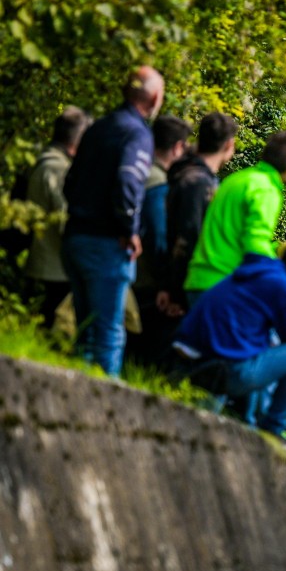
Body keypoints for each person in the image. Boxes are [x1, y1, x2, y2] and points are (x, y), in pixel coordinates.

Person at [172, 239, 286, 470]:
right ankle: (274, 428)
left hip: (190, 355)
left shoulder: (260, 269)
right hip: (223, 369)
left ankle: (252, 421)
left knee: (264, 345)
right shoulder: (284, 287)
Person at [62, 65, 164, 376]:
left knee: (85, 330)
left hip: (75, 237)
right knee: (109, 333)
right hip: (107, 244)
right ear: (155, 98)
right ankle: (102, 400)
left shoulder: (98, 127)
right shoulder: (137, 134)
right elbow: (128, 183)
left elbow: (70, 182)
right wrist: (129, 230)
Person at [183, 129, 286, 307]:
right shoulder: (266, 189)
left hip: (198, 278)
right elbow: (254, 243)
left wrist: (274, 249)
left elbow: (234, 234)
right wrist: (283, 274)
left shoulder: (237, 179)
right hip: (223, 284)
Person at [159, 112, 238, 315]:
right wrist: (176, 292)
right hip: (186, 287)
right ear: (229, 144)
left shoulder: (191, 174)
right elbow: (188, 237)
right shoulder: (198, 183)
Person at [128, 115, 192, 365]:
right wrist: (167, 281)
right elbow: (158, 236)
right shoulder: (158, 182)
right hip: (146, 279)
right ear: (177, 147)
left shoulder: (136, 169)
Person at [23, 106, 92, 327]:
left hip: (42, 262)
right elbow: (67, 221)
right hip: (55, 269)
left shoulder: (40, 162)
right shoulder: (59, 169)